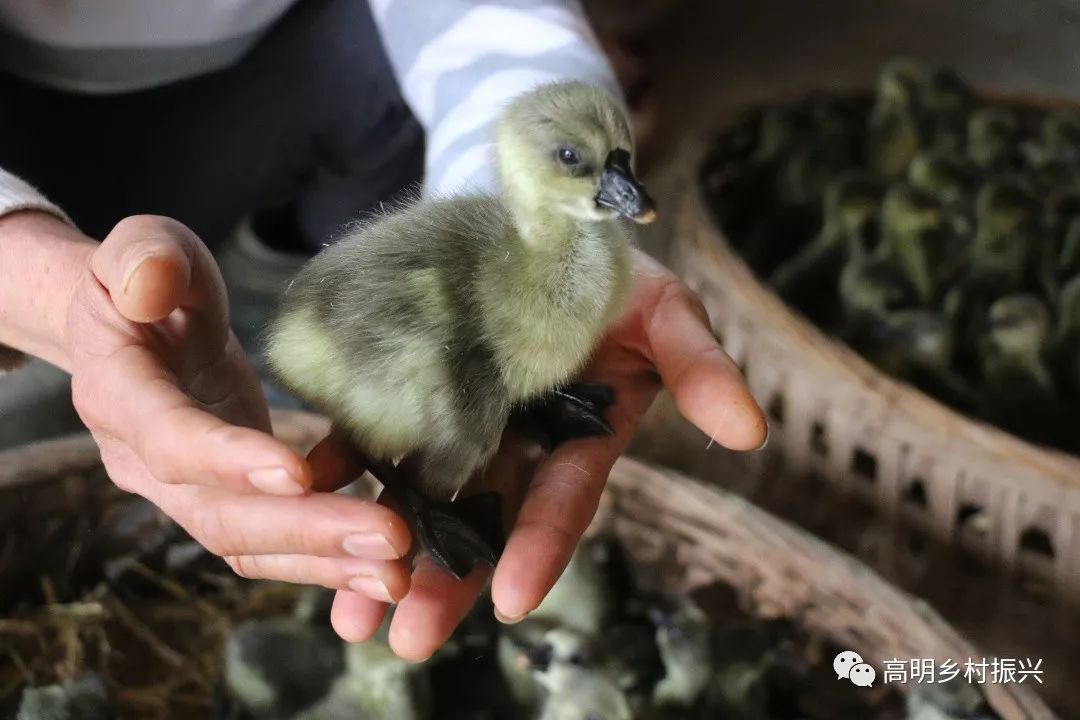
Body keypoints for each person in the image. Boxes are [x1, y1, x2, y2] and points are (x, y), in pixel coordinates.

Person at [0, 0, 767, 660]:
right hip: (26, 119)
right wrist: (37, 278)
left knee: (392, 84)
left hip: (281, 67)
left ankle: (273, 275)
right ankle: (377, 441)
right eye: (581, 164)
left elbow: (492, 36)